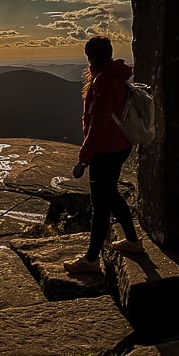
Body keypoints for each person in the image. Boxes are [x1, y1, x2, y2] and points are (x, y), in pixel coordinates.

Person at [64, 35, 145, 277]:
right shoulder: (117, 76)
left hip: (106, 150)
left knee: (100, 204)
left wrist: (84, 158)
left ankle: (90, 260)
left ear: (90, 57)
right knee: (109, 195)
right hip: (121, 145)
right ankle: (132, 240)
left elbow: (98, 124)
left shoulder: (102, 82)